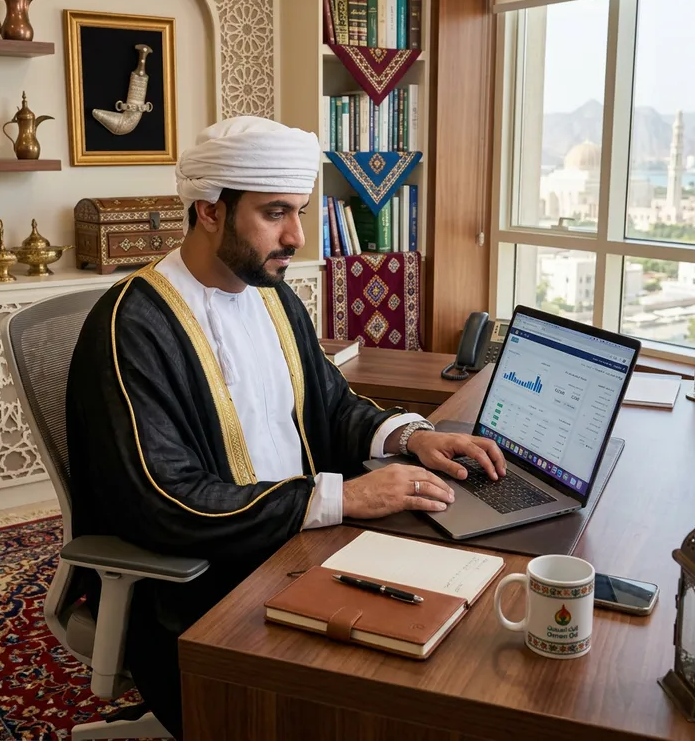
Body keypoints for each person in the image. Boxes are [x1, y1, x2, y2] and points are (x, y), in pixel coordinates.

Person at [66, 116, 504, 738]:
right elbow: (165, 499)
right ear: (209, 211)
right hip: (198, 592)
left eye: (299, 211)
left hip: (299, 546)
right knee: (383, 692)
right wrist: (343, 498)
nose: (296, 235)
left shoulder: (272, 295)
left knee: (458, 617)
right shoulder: (132, 327)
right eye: (275, 213)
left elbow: (331, 405)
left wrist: (413, 437)